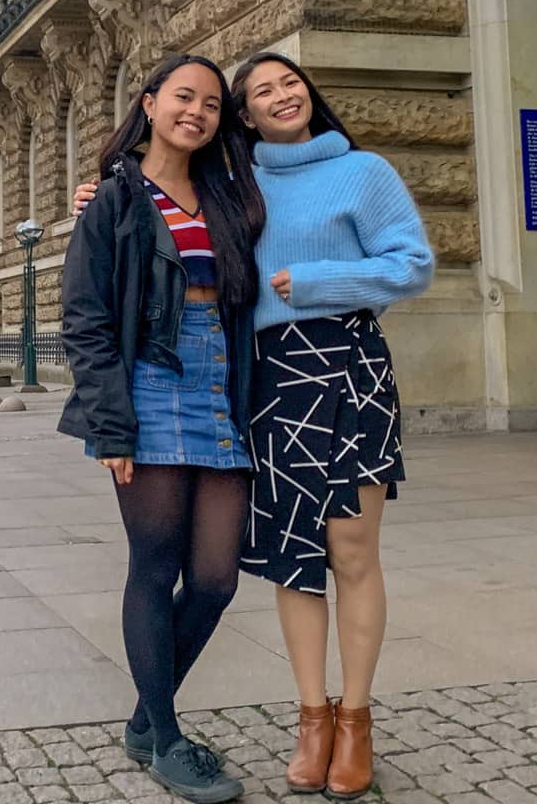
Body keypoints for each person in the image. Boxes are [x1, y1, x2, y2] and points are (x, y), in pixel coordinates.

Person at [76, 53, 432, 800]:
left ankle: (346, 720)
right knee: (227, 559)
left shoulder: (307, 180)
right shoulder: (191, 189)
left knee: (271, 565)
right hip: (217, 383)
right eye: (258, 90)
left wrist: (317, 285)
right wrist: (102, 202)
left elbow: (409, 263)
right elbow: (98, 300)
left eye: (288, 81)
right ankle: (201, 729)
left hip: (292, 377)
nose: (278, 95)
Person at [60, 54, 265, 804]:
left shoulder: (228, 191)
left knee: (214, 578)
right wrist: (112, 425)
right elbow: (85, 320)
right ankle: (168, 739)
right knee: (154, 567)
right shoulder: (114, 199)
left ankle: (147, 716)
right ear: (149, 104)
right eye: (184, 97)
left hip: (221, 387)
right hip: (149, 384)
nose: (198, 112)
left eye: (212, 104)